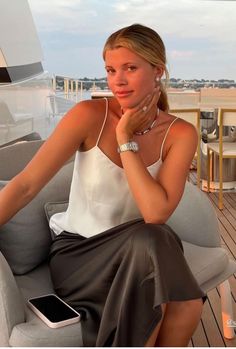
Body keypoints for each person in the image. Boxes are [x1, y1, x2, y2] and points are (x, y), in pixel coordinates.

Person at [0, 23, 205, 347]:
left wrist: (125, 139)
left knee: (159, 248)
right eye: (111, 70)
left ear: (158, 71)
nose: (117, 80)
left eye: (130, 68)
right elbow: (25, 185)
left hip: (144, 250)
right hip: (80, 254)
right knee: (163, 257)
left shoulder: (180, 134)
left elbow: (155, 212)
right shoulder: (88, 115)